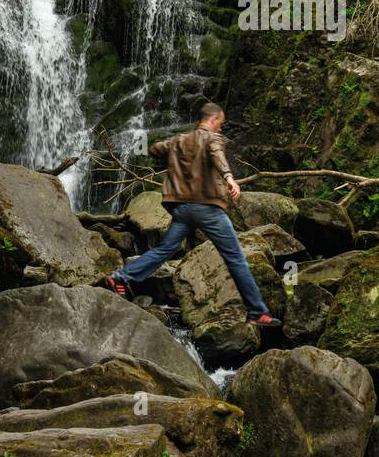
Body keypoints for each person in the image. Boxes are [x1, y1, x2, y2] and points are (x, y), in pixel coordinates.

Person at [103, 102, 280, 327]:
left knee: (164, 250)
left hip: (183, 210)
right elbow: (217, 155)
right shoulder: (213, 138)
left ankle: (121, 276)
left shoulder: (179, 141)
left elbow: (157, 148)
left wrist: (168, 155)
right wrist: (229, 177)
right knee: (235, 258)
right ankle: (256, 311)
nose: (221, 128)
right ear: (214, 120)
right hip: (207, 208)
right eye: (221, 123)